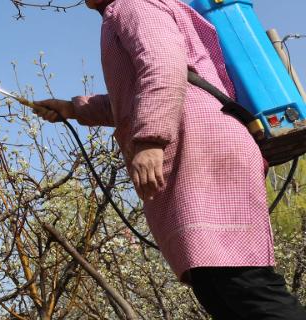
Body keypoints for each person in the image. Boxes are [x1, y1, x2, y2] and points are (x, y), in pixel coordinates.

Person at [32, 0, 306, 318]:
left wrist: (150, 142)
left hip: (200, 149)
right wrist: (73, 108)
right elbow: (134, 98)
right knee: (218, 286)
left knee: (242, 284)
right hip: (204, 146)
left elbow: (163, 68)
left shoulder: (131, 5)